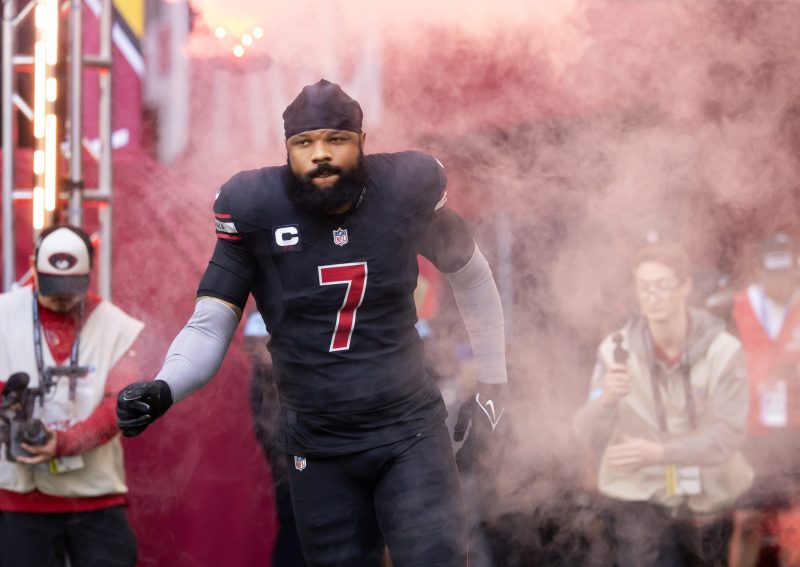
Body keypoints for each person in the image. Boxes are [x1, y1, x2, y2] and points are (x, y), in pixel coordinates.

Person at [116, 79, 508, 567]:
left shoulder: (405, 188)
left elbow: (471, 277)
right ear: (287, 151)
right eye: (305, 143)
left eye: (335, 139)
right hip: (320, 446)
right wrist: (164, 386)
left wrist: (493, 379)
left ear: (361, 141)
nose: (320, 154)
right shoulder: (256, 208)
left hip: (410, 431)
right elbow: (210, 322)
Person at [573, 240, 753, 567]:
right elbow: (585, 429)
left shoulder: (723, 351)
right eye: (644, 287)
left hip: (707, 496)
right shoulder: (615, 350)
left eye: (662, 286)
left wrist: (660, 452)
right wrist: (606, 399)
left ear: (685, 287)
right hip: (641, 497)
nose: (653, 296)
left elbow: (728, 435)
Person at [0, 225, 142, 567]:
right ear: (33, 267)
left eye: (70, 287)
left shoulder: (117, 327)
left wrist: (65, 442)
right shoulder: (4, 314)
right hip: (18, 495)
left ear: (89, 273)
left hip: (95, 493)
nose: (62, 297)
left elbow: (119, 404)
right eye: (53, 286)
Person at [729, 233, 800, 567]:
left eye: (787, 270)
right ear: (758, 270)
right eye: (773, 272)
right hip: (752, 431)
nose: (780, 280)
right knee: (746, 520)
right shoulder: (735, 307)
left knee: (793, 525)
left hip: (794, 431)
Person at [243, 310, 307, 566]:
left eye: (263, 343)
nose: (257, 351)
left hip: (303, 459)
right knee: (295, 523)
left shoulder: (295, 370)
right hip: (292, 463)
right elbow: (266, 430)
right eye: (254, 344)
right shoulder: (262, 377)